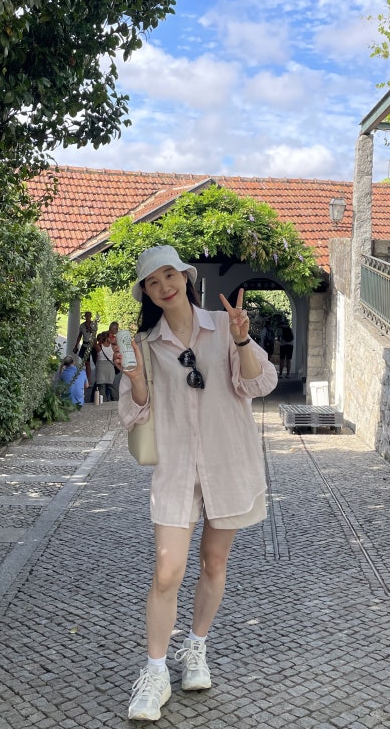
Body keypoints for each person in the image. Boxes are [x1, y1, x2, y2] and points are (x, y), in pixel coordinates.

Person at [115, 245, 277, 722]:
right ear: (146, 292)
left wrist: (242, 341)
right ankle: (155, 672)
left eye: (170, 275)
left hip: (228, 461)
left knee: (214, 562)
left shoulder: (224, 326)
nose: (164, 286)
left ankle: (196, 647)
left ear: (185, 277)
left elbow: (257, 384)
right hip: (176, 467)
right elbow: (135, 414)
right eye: (153, 281)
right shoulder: (145, 344)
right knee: (168, 571)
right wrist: (134, 376)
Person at [72, 311, 96, 385]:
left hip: (93, 345)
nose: (87, 317)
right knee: (87, 363)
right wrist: (76, 345)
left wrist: (89, 328)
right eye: (86, 316)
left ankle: (98, 379)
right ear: (85, 316)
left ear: (91, 316)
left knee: (96, 362)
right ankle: (88, 380)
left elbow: (94, 333)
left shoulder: (94, 324)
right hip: (85, 345)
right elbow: (80, 335)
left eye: (89, 316)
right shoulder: (82, 325)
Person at [93, 330, 117, 402]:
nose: (111, 338)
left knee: (101, 387)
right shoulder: (113, 346)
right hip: (110, 368)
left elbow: (93, 341)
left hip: (101, 368)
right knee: (112, 386)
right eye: (110, 337)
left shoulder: (99, 346)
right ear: (107, 338)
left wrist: (95, 333)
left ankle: (103, 401)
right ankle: (115, 401)